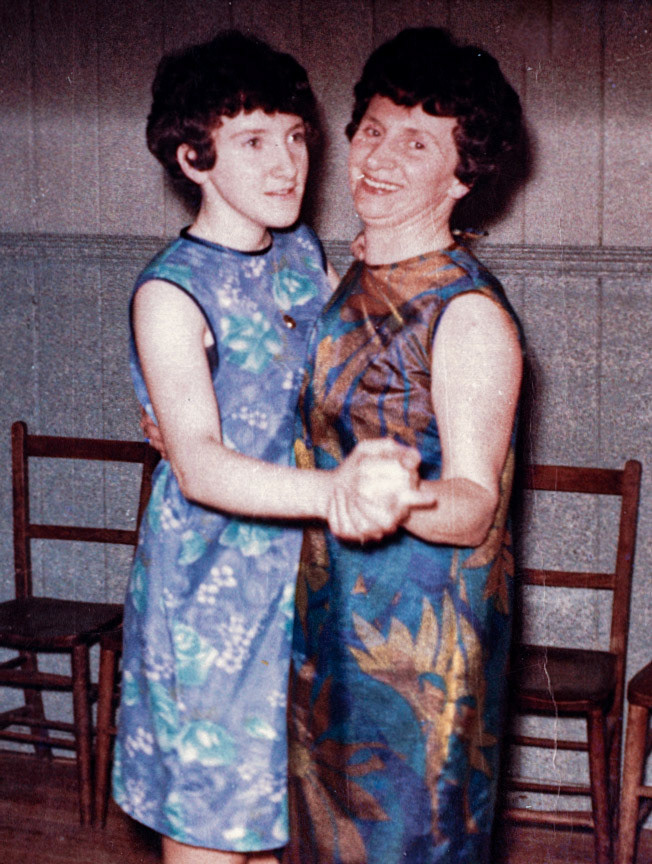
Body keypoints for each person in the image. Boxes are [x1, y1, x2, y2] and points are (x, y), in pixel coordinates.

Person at [113, 31, 435, 864]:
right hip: (210, 600)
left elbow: (339, 374)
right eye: (253, 141)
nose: (286, 163)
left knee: (284, 832)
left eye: (295, 137)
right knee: (212, 834)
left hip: (302, 592)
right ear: (194, 157)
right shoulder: (169, 292)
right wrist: (332, 493)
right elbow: (199, 461)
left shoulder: (301, 255)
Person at [284, 27, 524, 864]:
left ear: (462, 175)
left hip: (415, 665)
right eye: (373, 129)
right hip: (325, 634)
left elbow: (472, 504)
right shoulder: (345, 281)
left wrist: (395, 496)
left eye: (418, 141)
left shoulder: (467, 315)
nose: (378, 157)